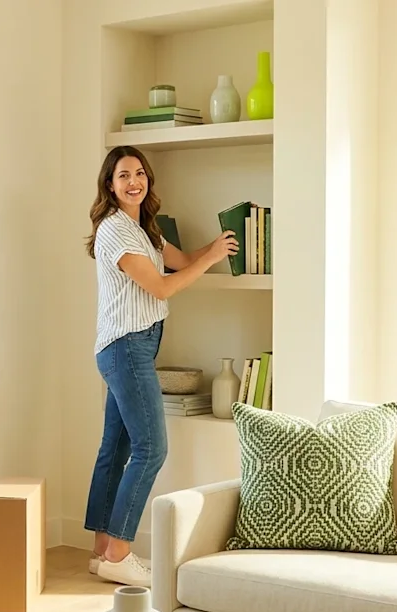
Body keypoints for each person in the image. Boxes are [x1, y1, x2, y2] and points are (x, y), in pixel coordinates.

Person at [83, 145, 238, 586]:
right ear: (109, 186)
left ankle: (101, 552)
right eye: (123, 175)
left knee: (116, 449)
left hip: (132, 348)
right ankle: (120, 552)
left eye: (139, 174)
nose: (133, 181)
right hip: (125, 349)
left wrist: (216, 246)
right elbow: (161, 288)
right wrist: (211, 260)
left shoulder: (145, 230)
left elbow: (182, 262)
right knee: (152, 448)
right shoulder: (114, 230)